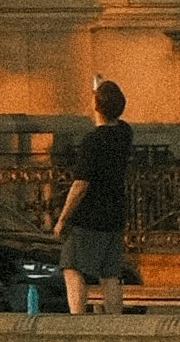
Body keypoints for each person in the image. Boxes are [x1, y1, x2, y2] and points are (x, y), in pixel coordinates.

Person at [53, 76, 134, 318]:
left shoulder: (93, 142)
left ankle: (77, 316)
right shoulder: (124, 134)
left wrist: (63, 219)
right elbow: (114, 118)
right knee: (110, 274)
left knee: (71, 266)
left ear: (97, 106)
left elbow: (80, 185)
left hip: (89, 216)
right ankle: (114, 318)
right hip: (115, 212)